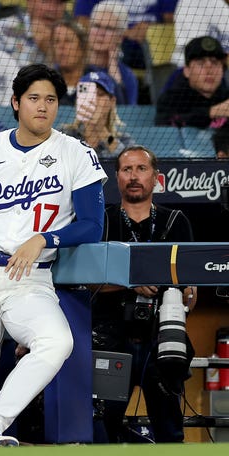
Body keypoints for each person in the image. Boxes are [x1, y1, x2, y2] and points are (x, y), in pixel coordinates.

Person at [0, 63, 108, 447]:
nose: (42, 107)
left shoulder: (76, 153)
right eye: (33, 98)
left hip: (29, 277)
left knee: (56, 341)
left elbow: (93, 226)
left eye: (50, 99)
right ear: (15, 102)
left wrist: (46, 239)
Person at [90, 145, 196, 443]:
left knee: (170, 430)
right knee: (102, 429)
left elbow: (191, 292)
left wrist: (185, 294)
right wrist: (130, 282)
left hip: (161, 339)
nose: (134, 176)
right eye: (127, 169)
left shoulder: (175, 221)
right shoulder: (103, 220)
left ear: (156, 178)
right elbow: (87, 282)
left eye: (141, 169)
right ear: (117, 177)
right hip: (110, 337)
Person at [74, 0, 178, 70]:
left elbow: (172, 16)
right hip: (116, 43)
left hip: (151, 46)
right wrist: (123, 32)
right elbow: (82, 21)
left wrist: (151, 28)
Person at [155, 36, 229, 129]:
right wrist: (212, 112)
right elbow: (167, 126)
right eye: (201, 63)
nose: (210, 70)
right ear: (187, 71)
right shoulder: (171, 99)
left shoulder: (226, 97)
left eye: (215, 63)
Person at [62, 71, 135, 158]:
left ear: (112, 101)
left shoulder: (124, 140)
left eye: (100, 94)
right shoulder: (65, 134)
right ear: (78, 100)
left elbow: (126, 160)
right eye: (88, 95)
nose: (94, 100)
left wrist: (101, 130)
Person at [84, 0, 138, 104]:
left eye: (109, 28)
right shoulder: (73, 65)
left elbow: (127, 112)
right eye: (97, 26)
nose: (101, 33)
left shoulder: (127, 75)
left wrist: (113, 68)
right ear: (89, 29)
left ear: (120, 37)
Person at [0, 0, 68, 68]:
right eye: (45, 1)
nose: (52, 9)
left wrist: (50, 51)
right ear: (30, 2)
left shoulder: (71, 35)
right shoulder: (2, 28)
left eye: (59, 3)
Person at [171, 0, 229, 67]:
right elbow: (198, 44)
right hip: (188, 61)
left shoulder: (217, 4)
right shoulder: (189, 3)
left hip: (209, 61)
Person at [50, 18, 87, 106]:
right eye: (57, 41)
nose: (61, 47)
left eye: (68, 41)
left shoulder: (97, 81)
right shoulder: (45, 82)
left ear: (82, 47)